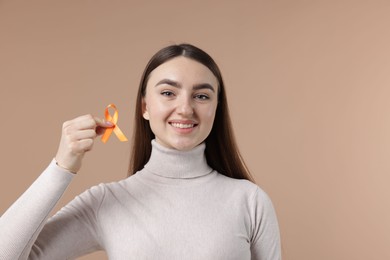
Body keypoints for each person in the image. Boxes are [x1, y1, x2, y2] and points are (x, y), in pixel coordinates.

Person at [0, 43, 281, 259]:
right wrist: (61, 168)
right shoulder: (107, 203)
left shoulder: (250, 201)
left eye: (202, 96)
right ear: (144, 107)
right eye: (168, 93)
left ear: (216, 109)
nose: (185, 108)